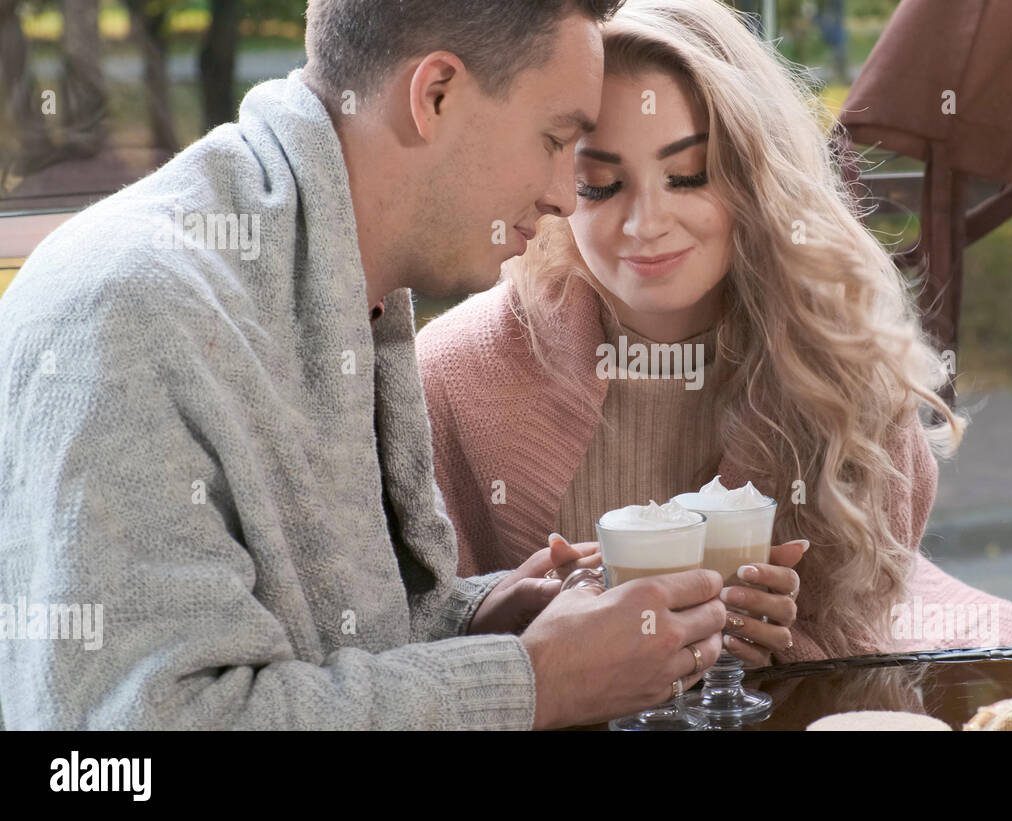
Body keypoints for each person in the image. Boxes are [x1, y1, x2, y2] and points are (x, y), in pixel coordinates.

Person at [0, 0, 729, 731]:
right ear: (435, 93)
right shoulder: (133, 311)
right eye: (554, 138)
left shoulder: (340, 277)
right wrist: (532, 680)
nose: (563, 197)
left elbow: (327, 637)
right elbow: (129, 740)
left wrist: (480, 620)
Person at [416, 0, 1012, 666]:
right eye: (601, 183)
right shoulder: (448, 378)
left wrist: (793, 653)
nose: (647, 222)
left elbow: (873, 628)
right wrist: (522, 636)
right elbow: (419, 645)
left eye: (689, 175)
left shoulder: (840, 363)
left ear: (755, 177)